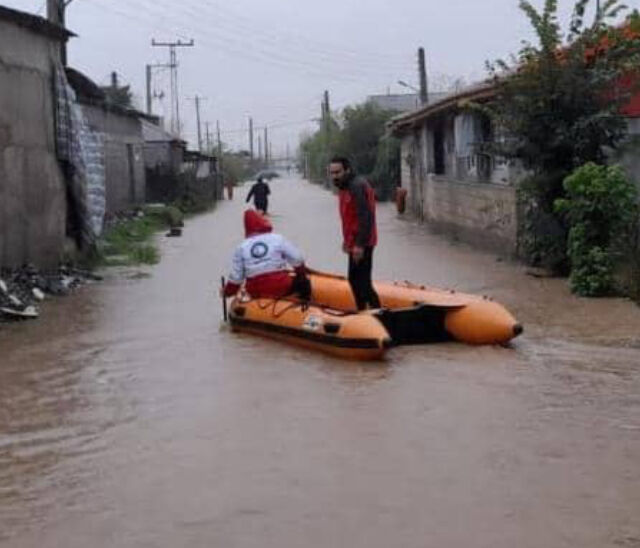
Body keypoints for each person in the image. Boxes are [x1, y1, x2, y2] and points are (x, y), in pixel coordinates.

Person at [329, 156, 381, 311]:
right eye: (331, 173)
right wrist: (347, 242)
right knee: (355, 281)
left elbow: (366, 216)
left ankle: (376, 313)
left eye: (338, 172)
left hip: (363, 242)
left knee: (362, 282)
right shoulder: (345, 187)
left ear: (347, 170)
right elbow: (349, 218)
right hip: (355, 242)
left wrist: (359, 245)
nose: (334, 176)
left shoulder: (356, 186)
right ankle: (364, 311)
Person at [222, 209, 310, 300]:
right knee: (304, 284)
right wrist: (301, 274)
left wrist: (227, 292)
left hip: (255, 291)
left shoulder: (241, 247)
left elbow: (236, 278)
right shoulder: (277, 238)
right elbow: (297, 259)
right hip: (282, 285)